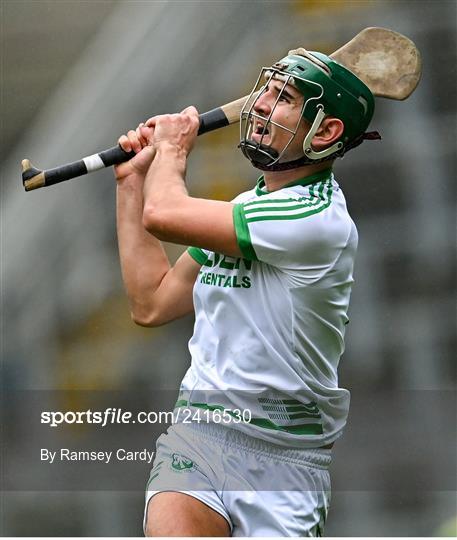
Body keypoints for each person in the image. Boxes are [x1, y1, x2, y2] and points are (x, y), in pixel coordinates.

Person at [114, 48, 377, 536]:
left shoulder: (316, 221)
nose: (259, 105)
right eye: (265, 92)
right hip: (198, 436)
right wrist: (132, 183)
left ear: (325, 132)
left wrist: (172, 150)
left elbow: (165, 214)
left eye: (283, 99)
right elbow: (152, 302)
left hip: (285, 459)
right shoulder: (246, 208)